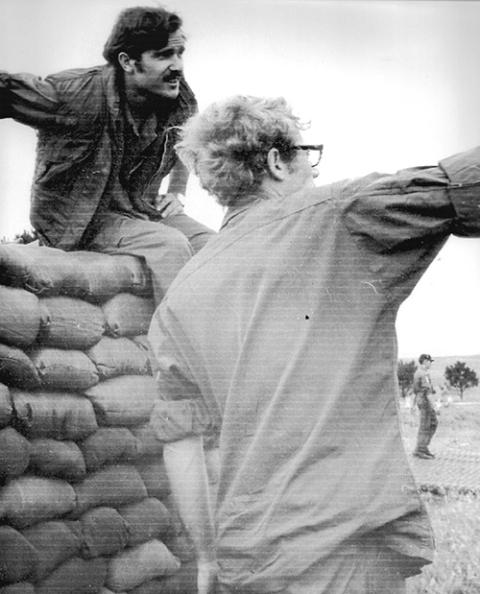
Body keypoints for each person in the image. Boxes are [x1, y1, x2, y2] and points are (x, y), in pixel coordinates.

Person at [147, 94, 480, 594]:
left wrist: (206, 558)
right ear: (278, 161)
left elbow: (182, 449)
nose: (315, 172)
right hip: (340, 552)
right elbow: (462, 184)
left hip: (248, 561)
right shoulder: (336, 216)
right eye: (308, 154)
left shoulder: (178, 299)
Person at [0, 6, 215, 305]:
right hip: (81, 219)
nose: (178, 65)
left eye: (180, 52)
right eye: (164, 54)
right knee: (169, 247)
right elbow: (7, 92)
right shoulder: (78, 94)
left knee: (214, 246)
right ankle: (182, 346)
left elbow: (187, 138)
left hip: (139, 209)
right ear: (127, 61)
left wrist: (177, 192)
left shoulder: (178, 100)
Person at [413, 354, 438, 459]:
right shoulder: (423, 374)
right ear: (424, 361)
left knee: (431, 423)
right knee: (426, 425)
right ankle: (420, 449)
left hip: (421, 400)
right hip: (425, 402)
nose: (430, 363)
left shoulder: (418, 373)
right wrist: (435, 407)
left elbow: (416, 390)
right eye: (429, 361)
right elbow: (427, 393)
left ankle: (423, 447)